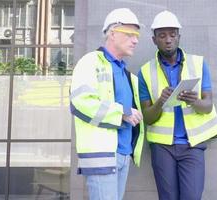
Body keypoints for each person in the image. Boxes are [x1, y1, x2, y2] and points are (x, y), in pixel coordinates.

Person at [138, 10, 217, 200]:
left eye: (172, 34)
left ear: (179, 37)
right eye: (162, 35)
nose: (168, 39)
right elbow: (148, 118)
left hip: (192, 146)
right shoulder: (145, 71)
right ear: (154, 40)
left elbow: (208, 106)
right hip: (162, 148)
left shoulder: (199, 64)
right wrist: (160, 101)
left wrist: (195, 101)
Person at [70, 8, 145, 200]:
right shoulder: (90, 62)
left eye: (137, 35)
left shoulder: (127, 74)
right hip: (101, 155)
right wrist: (122, 113)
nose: (135, 40)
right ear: (112, 33)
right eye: (130, 34)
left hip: (123, 155)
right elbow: (81, 101)